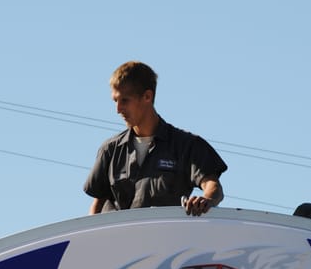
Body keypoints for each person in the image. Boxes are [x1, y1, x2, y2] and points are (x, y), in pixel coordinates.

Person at [84, 61, 227, 216]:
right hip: (117, 239)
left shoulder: (186, 146)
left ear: (147, 96)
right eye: (115, 101)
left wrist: (205, 200)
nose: (118, 109)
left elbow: (214, 187)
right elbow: (97, 206)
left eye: (124, 100)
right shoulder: (110, 150)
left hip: (166, 238)